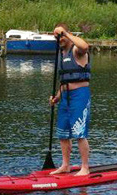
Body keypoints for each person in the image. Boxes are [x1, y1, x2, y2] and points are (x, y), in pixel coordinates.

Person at [49, 23, 91, 176]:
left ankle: (85, 167)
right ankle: (65, 165)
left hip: (80, 95)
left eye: (60, 37)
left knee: (79, 132)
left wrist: (65, 33)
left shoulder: (76, 50)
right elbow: (64, 81)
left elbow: (85, 46)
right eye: (57, 37)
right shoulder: (61, 54)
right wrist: (57, 98)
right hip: (65, 96)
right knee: (63, 133)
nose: (59, 39)